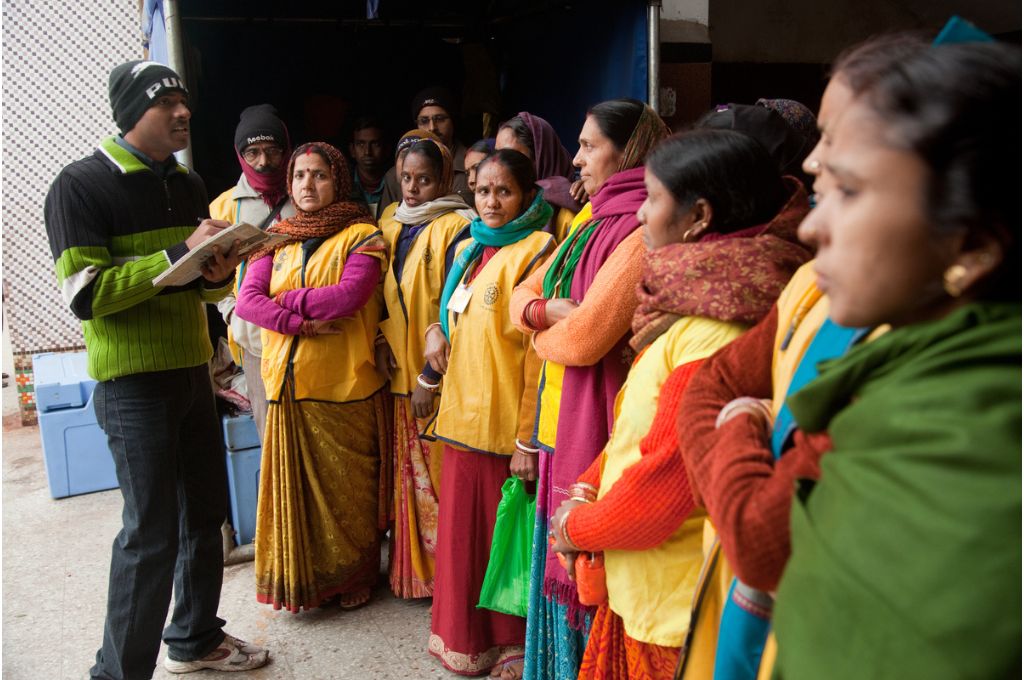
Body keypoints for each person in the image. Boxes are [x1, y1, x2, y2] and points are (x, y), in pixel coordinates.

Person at [682, 40, 1020, 680]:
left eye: (847, 187)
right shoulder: (884, 358)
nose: (810, 225)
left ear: (971, 245)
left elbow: (758, 538)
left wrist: (737, 425)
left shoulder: (963, 435)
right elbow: (708, 385)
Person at [546, 129, 812, 679]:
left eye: (651, 198)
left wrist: (575, 527)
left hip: (673, 609)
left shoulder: (717, 329)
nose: (641, 215)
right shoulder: (689, 309)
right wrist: (586, 487)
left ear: (699, 217)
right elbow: (636, 432)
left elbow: (663, 494)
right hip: (645, 589)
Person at [43, 60, 268, 679]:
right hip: (132, 389)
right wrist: (179, 252)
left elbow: (190, 289)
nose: (182, 112)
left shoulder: (189, 185)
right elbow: (86, 295)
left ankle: (195, 639)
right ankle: (117, 673)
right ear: (130, 112)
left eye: (184, 101)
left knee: (205, 517)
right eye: (165, 102)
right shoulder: (80, 185)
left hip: (192, 376)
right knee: (149, 536)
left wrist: (214, 277)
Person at [509, 98, 670, 680]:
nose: (575, 160)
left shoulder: (637, 228)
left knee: (587, 571)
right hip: (561, 416)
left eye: (588, 146)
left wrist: (538, 327)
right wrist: (544, 311)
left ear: (627, 152)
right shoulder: (587, 221)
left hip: (599, 426)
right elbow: (521, 294)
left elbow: (585, 343)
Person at [235, 142, 390, 612]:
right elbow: (247, 301)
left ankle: (356, 576)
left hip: (345, 386)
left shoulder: (362, 234)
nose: (307, 185)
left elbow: (350, 294)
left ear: (337, 180)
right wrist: (299, 320)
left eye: (319, 175)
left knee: (349, 496)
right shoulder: (274, 237)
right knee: (294, 498)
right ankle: (307, 582)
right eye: (300, 175)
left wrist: (284, 300)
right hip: (285, 384)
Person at [426, 149, 557, 677]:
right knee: (463, 540)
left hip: (502, 427)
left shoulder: (539, 250)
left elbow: (538, 354)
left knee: (503, 540)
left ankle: (508, 646)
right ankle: (462, 640)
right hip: (460, 420)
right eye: (483, 191)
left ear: (527, 194)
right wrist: (434, 335)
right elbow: (450, 319)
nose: (492, 201)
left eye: (504, 191)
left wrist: (528, 437)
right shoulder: (470, 247)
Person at [377, 132, 474, 599]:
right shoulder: (390, 224)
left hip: (437, 374)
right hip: (397, 372)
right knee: (409, 481)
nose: (413, 189)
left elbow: (457, 307)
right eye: (406, 179)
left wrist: (430, 377)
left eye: (425, 180)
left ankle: (446, 581)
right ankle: (418, 577)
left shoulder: (459, 226)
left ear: (445, 179)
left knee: (437, 479)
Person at [210, 103, 296, 442]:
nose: (263, 162)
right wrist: (232, 312)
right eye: (253, 152)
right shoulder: (224, 206)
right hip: (256, 341)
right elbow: (212, 275)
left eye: (273, 150)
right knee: (272, 435)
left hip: (309, 332)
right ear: (239, 154)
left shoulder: (306, 191)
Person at [496, 112, 581, 241]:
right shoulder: (497, 203)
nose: (500, 166)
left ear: (540, 156)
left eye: (510, 156)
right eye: (497, 155)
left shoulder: (570, 208)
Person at [382, 87, 473, 207]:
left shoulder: (472, 164)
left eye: (440, 119)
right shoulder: (395, 174)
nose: (432, 127)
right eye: (424, 121)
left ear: (453, 121)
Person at [349, 115, 389, 218]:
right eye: (361, 144)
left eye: (375, 144)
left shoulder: (397, 183)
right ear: (352, 150)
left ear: (386, 149)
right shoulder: (345, 185)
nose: (367, 152)